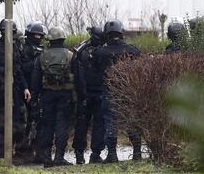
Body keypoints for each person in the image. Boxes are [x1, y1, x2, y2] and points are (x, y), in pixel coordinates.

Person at [31, 26, 85, 168]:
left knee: (47, 125)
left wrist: (34, 99)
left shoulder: (41, 56)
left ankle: (47, 158)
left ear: (49, 40)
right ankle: (59, 157)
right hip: (65, 96)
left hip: (47, 96)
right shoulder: (70, 55)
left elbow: (35, 80)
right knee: (62, 125)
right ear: (62, 39)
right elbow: (79, 79)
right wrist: (82, 96)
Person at [94, 20, 142, 163]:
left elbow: (96, 72)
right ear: (121, 33)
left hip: (109, 92)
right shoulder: (132, 50)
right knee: (131, 121)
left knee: (110, 122)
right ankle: (137, 153)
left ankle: (112, 155)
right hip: (127, 91)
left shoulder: (100, 52)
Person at [0, 19, 31, 159]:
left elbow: (18, 69)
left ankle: (13, 153)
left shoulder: (16, 47)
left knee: (16, 121)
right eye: (7, 32)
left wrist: (25, 87)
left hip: (15, 90)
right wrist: (5, 70)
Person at [72, 26, 106, 164]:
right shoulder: (101, 52)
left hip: (84, 93)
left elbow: (75, 72)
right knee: (97, 124)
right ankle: (95, 154)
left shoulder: (82, 52)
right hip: (96, 93)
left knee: (82, 124)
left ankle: (80, 154)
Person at [21, 21, 47, 162]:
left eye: (40, 35)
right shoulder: (24, 49)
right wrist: (37, 61)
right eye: (35, 35)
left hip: (40, 89)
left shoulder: (42, 49)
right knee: (28, 122)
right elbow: (23, 69)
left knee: (39, 122)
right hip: (27, 90)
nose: (38, 37)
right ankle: (24, 153)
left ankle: (38, 152)